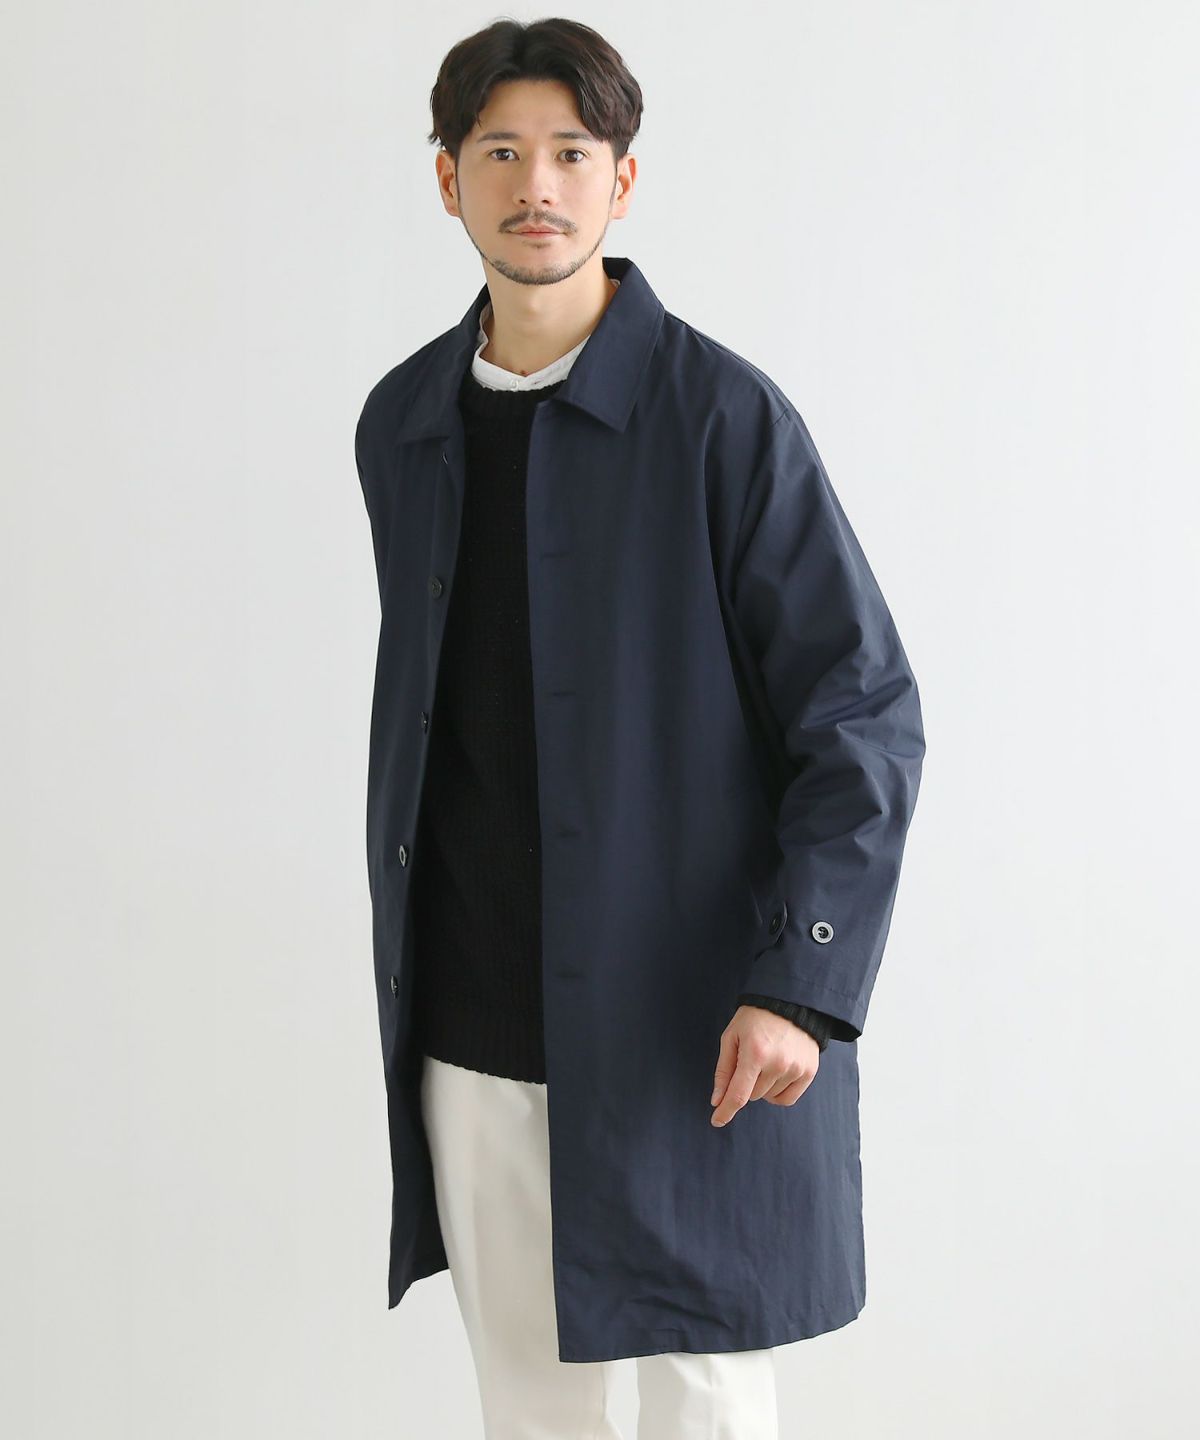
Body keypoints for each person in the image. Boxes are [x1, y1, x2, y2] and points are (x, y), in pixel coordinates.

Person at [354, 17, 925, 1439]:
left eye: (570, 152)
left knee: (698, 1400)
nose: (535, 185)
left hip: (686, 1027)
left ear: (622, 179)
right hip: (473, 1026)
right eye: (500, 153)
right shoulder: (404, 422)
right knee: (529, 1408)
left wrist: (802, 982)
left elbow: (860, 713)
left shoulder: (722, 418)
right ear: (447, 180)